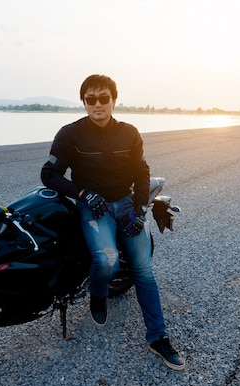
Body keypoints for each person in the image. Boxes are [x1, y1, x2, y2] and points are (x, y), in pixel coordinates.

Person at [41, 74, 185, 370]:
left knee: (143, 271)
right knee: (105, 260)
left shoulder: (129, 132)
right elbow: (49, 174)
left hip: (127, 203)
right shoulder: (69, 134)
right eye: (90, 99)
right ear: (83, 102)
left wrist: (139, 210)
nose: (97, 104)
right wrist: (81, 193)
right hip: (94, 208)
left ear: (113, 100)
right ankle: (98, 294)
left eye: (103, 98)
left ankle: (158, 338)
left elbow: (142, 171)